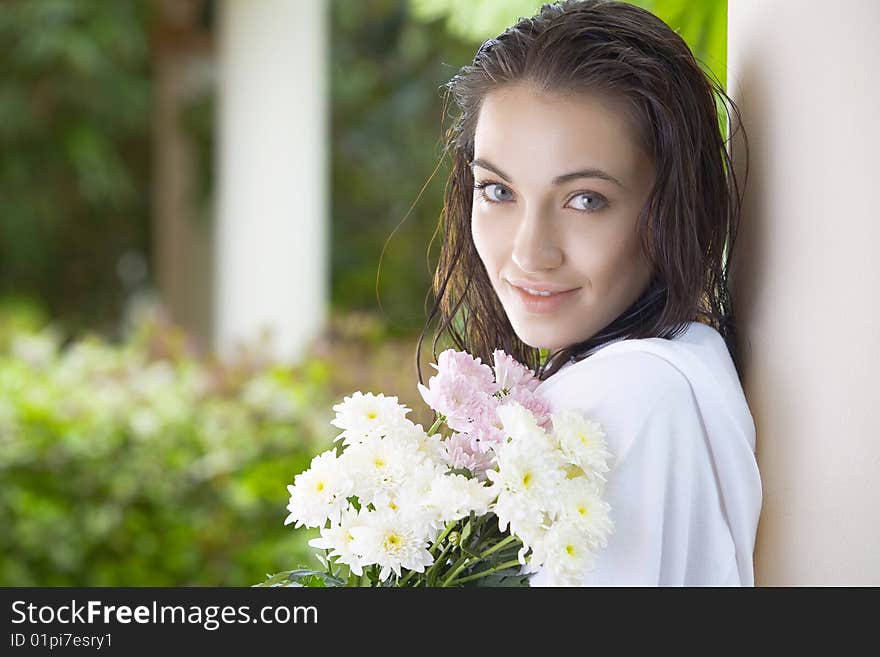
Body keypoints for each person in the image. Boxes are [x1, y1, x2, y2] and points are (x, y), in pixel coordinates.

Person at [417, 0, 762, 585]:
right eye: (498, 191)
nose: (530, 253)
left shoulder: (624, 398)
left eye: (585, 200)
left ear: (673, 208)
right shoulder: (681, 360)